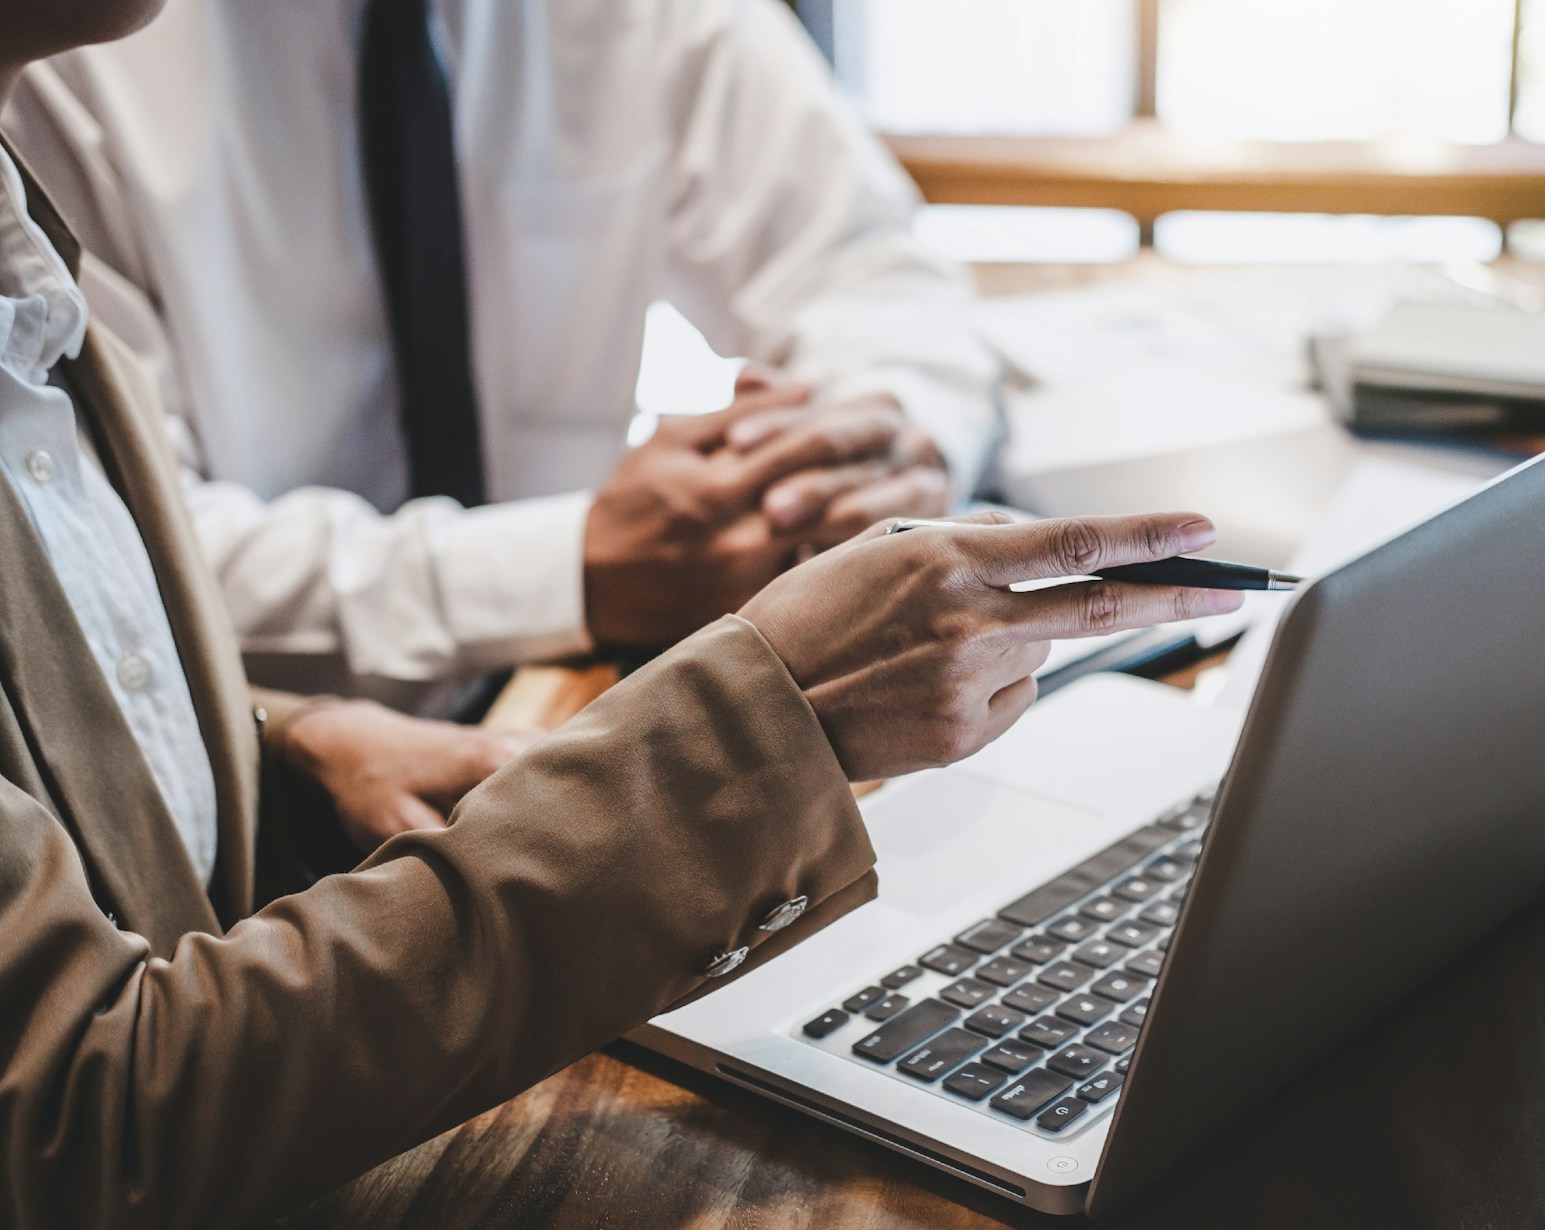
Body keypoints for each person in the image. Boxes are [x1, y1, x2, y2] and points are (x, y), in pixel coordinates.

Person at [0, 10, 1241, 1230]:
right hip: (328, 925)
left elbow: (870, 267)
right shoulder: (79, 69)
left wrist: (872, 440)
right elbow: (80, 1128)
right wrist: (651, 625)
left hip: (397, 773)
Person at [2, 0, 1004, 714]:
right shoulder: (75, 34)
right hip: (270, 756)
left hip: (577, 697)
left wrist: (873, 436)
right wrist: (570, 567)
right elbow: (118, 556)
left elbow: (868, 265)